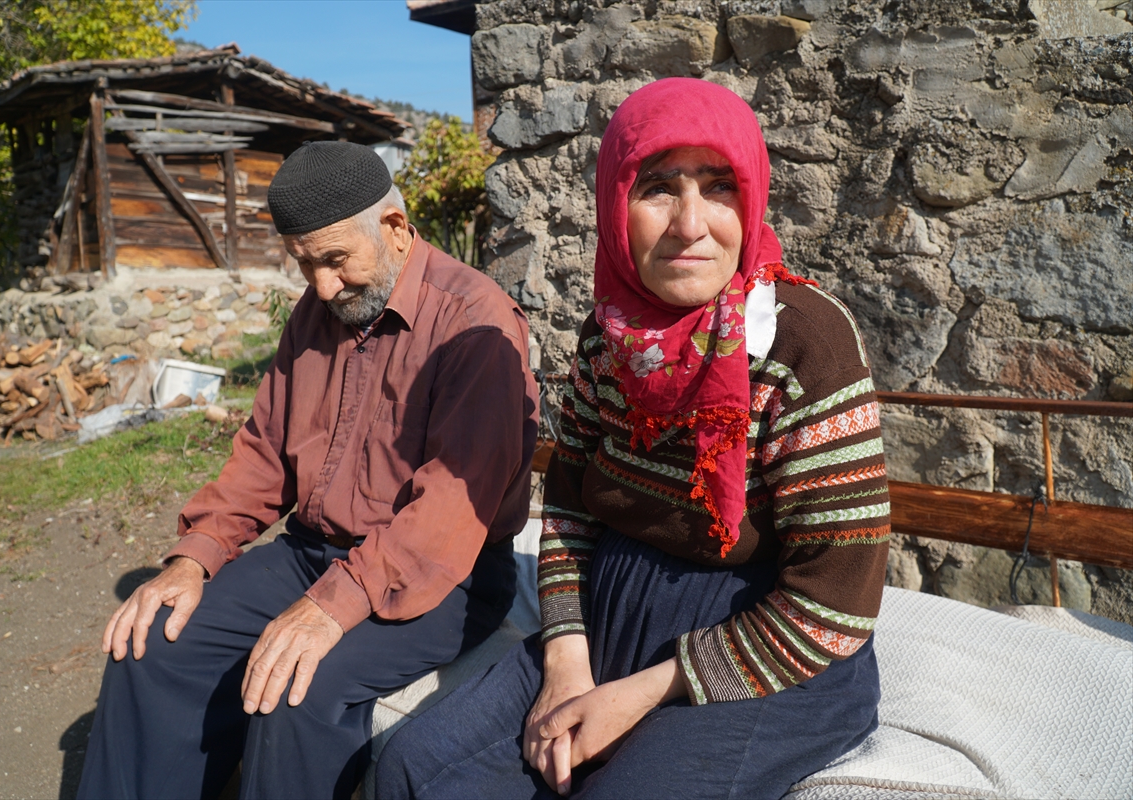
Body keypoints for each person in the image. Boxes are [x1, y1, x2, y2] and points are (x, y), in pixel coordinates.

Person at [376, 78, 890, 799]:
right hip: (610, 617)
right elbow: (569, 507)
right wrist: (565, 657)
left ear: (752, 198)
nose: (690, 224)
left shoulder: (801, 343)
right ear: (616, 206)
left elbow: (835, 601)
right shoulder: (606, 337)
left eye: (718, 188)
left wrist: (645, 691)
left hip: (766, 648)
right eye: (657, 188)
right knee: (415, 768)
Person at [76, 142, 538, 800]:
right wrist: (192, 560)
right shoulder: (316, 314)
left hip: (446, 574)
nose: (322, 286)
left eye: (335, 260)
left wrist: (330, 609)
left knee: (298, 692)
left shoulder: (475, 323)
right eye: (305, 264)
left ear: (396, 229)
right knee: (152, 642)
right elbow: (265, 454)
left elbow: (444, 519)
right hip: (313, 554)